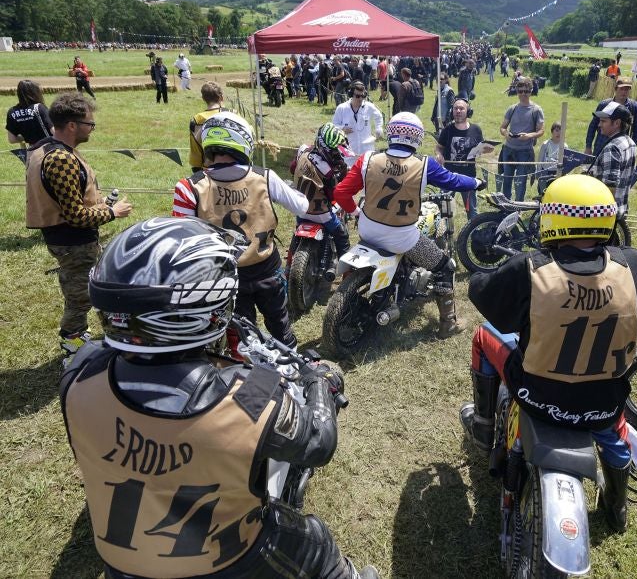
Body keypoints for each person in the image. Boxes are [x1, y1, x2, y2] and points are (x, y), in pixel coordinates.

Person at [60, 216, 379, 579]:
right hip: (228, 562)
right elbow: (319, 443)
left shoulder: (79, 375)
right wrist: (319, 381)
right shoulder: (249, 395)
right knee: (315, 540)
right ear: (209, 307)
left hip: (121, 565)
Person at [461, 174, 637, 532]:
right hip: (604, 401)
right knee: (616, 438)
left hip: (537, 395)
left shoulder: (529, 268)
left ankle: (482, 426)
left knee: (483, 337)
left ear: (552, 218)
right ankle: (617, 507)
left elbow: (484, 296)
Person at [333, 112, 487, 338]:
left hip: (368, 228)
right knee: (445, 266)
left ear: (391, 133)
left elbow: (340, 192)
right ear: (416, 137)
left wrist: (356, 212)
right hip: (401, 236)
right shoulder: (425, 165)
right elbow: (453, 180)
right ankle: (448, 324)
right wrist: (476, 182)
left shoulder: (366, 159)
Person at [172, 112, 307, 349]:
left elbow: (182, 243)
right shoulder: (264, 177)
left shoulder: (187, 188)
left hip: (224, 277)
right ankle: (290, 370)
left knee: (239, 336)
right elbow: (302, 206)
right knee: (280, 325)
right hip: (267, 268)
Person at [25, 92, 133, 355]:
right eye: (89, 124)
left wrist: (101, 203)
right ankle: (72, 341)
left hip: (65, 238)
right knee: (80, 294)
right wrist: (112, 212)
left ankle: (77, 335)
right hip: (73, 241)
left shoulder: (43, 148)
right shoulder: (61, 159)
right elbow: (74, 216)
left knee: (82, 288)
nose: (92, 129)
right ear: (72, 125)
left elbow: (67, 201)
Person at [290, 122, 353, 259]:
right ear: (324, 148)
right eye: (335, 151)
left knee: (296, 231)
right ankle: (347, 271)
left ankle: (290, 262)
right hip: (319, 212)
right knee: (341, 236)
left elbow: (292, 168)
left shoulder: (303, 150)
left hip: (298, 207)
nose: (336, 155)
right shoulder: (327, 170)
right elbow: (333, 195)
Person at [436, 98, 490, 220]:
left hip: (468, 177)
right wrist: (439, 155)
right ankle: (444, 234)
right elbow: (439, 147)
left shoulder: (476, 130)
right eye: (456, 108)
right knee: (444, 209)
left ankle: (473, 232)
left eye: (461, 108)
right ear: (452, 111)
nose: (458, 111)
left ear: (468, 111)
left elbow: (480, 149)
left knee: (472, 210)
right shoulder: (447, 130)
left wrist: (487, 149)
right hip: (448, 176)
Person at [585, 102, 637, 218]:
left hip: (605, 214)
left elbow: (610, 186)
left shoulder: (612, 148)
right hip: (621, 208)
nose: (599, 124)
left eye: (604, 121)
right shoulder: (631, 143)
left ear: (617, 123)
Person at [499, 76, 545, 200]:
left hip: (525, 151)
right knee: (507, 179)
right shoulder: (512, 108)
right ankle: (506, 205)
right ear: (517, 92)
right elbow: (502, 127)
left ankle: (518, 208)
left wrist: (529, 135)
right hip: (508, 150)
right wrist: (506, 133)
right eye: (520, 91)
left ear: (531, 91)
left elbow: (541, 130)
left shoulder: (536, 110)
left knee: (520, 182)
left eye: (526, 91)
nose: (523, 94)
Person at [585, 78, 637, 153]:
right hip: (601, 144)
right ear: (616, 89)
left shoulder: (634, 107)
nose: (624, 92)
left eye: (627, 89)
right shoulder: (604, 104)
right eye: (621, 89)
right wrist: (588, 146)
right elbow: (593, 125)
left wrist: (633, 149)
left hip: (620, 146)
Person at [332, 81, 384, 158]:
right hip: (348, 150)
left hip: (366, 150)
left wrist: (378, 128)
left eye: (362, 96)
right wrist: (341, 128)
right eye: (357, 96)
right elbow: (334, 125)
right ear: (351, 94)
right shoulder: (341, 108)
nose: (360, 98)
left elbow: (379, 116)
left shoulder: (369, 106)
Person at [188, 81, 228, 173]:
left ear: (203, 98)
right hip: (235, 168)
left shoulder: (197, 120)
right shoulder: (233, 113)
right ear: (221, 97)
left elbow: (195, 150)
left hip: (208, 170)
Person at [6, 79, 53, 148]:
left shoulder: (12, 112)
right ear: (34, 93)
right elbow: (54, 131)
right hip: (48, 149)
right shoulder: (39, 108)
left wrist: (26, 136)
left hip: (31, 152)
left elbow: (12, 139)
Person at [535, 121, 567, 195]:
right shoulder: (545, 144)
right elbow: (540, 159)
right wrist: (538, 172)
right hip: (546, 172)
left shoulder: (564, 146)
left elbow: (565, 162)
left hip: (557, 172)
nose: (558, 133)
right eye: (556, 130)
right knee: (543, 192)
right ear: (552, 131)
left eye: (561, 131)